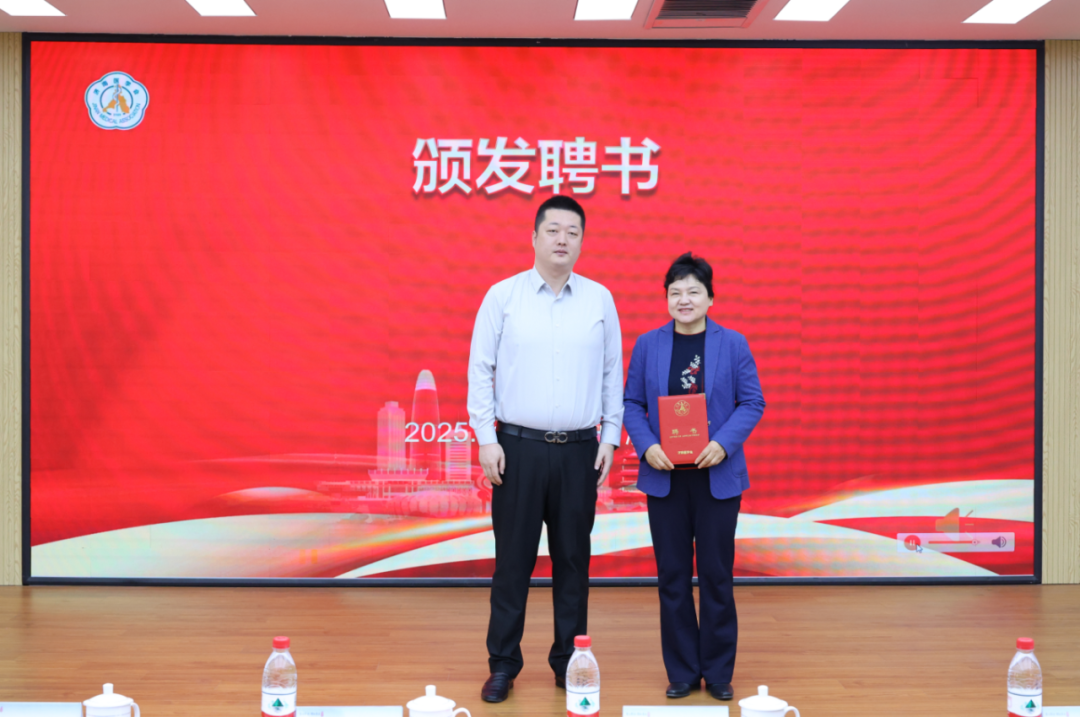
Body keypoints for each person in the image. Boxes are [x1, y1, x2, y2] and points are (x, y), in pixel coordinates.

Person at [467, 195, 624, 703]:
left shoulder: (599, 299)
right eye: (553, 230)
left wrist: (611, 435)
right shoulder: (503, 296)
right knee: (512, 561)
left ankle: (569, 663)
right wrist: (486, 438)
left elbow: (612, 374)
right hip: (518, 449)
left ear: (582, 241)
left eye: (572, 232)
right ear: (533, 237)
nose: (562, 240)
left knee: (573, 561)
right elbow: (480, 370)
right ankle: (503, 665)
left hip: (579, 450)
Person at [622, 252, 765, 701]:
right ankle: (683, 670)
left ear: (710, 297)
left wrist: (723, 443)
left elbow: (752, 402)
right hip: (665, 477)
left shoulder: (733, 343)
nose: (684, 300)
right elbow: (631, 404)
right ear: (666, 299)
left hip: (716, 476)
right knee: (673, 576)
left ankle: (718, 671)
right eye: (675, 292)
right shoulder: (648, 344)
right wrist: (648, 446)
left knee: (717, 575)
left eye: (693, 291)